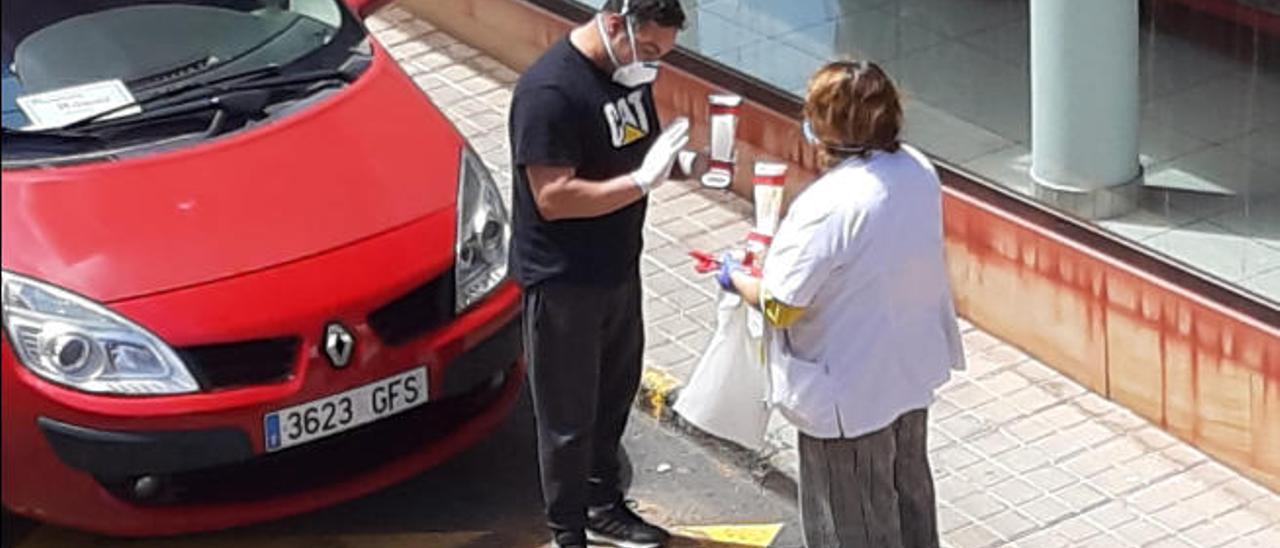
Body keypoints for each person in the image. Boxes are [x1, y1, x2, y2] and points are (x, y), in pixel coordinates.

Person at [719, 60, 965, 548]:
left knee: (851, 525)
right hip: (908, 374)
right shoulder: (917, 168)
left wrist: (737, 277)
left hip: (847, 396)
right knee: (909, 499)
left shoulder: (829, 204)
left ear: (825, 128)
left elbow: (781, 306)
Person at [507, 1, 688, 547]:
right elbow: (554, 197)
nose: (653, 65)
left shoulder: (626, 75)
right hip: (564, 281)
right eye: (650, 50)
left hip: (617, 268)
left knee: (613, 396)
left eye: (663, 55)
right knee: (567, 419)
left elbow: (631, 153)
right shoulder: (551, 93)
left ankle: (603, 503)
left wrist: (676, 165)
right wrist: (639, 183)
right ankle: (567, 532)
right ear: (615, 24)